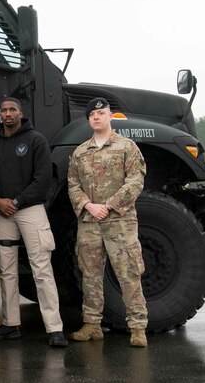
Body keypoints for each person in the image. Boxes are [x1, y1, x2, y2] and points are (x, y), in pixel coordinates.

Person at [0, 98, 68, 348]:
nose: (8, 114)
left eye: (12, 110)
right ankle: (11, 324)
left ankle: (54, 328)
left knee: (41, 269)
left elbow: (42, 179)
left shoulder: (36, 140)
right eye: (4, 110)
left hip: (30, 211)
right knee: (7, 272)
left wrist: (17, 202)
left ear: (21, 113)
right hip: (3, 215)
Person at [67, 97, 148, 347]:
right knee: (90, 275)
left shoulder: (127, 147)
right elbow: (73, 185)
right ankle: (92, 325)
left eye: (101, 113)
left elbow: (136, 180)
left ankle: (137, 327)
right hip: (90, 223)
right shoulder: (80, 152)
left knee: (129, 274)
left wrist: (110, 205)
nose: (96, 117)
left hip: (119, 222)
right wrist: (89, 206)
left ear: (110, 116)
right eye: (92, 114)